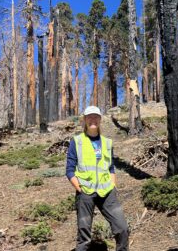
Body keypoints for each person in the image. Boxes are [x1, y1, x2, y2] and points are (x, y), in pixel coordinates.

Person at [66, 106, 129, 251]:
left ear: (100, 120)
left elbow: (111, 167)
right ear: (84, 120)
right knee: (84, 236)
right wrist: (79, 188)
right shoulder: (77, 141)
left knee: (122, 228)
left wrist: (113, 185)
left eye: (96, 117)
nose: (93, 120)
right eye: (89, 117)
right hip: (85, 192)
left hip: (107, 192)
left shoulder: (107, 142)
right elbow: (69, 170)